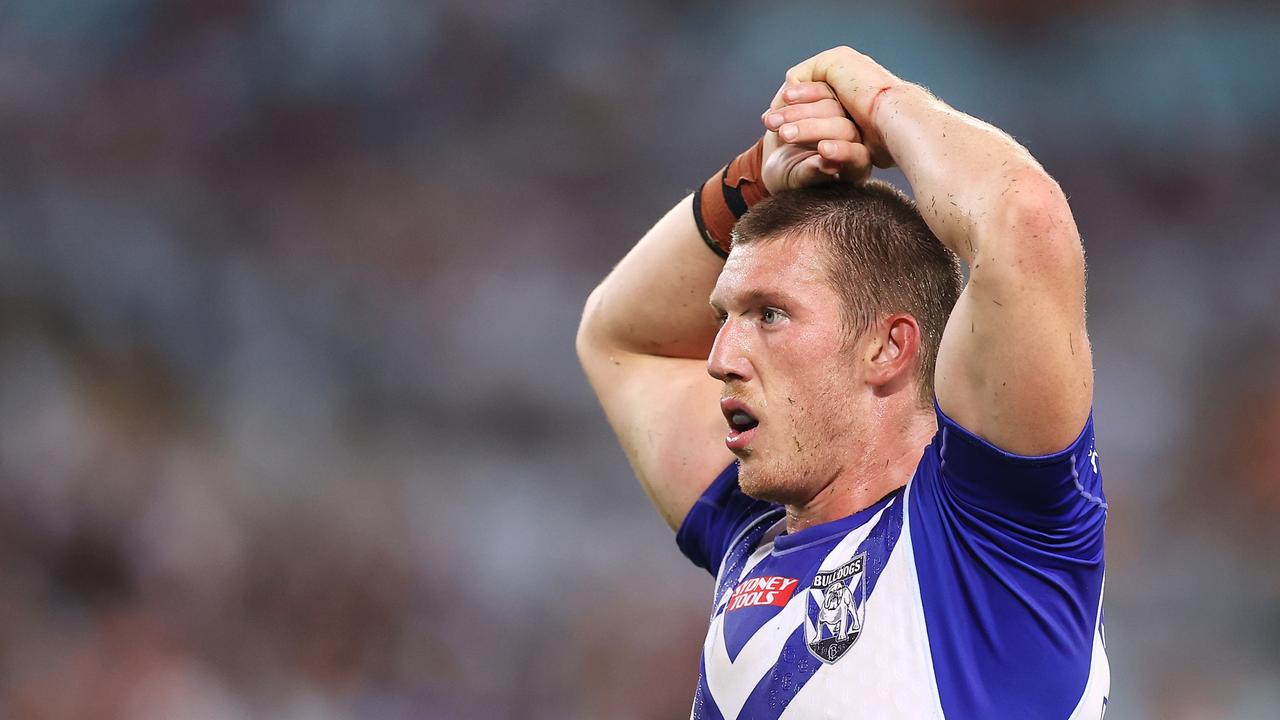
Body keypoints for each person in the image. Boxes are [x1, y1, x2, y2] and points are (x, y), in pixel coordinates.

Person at [576, 46, 1108, 718]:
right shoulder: (753, 535)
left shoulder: (993, 543)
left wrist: (880, 106)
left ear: (887, 347)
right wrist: (759, 177)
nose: (719, 356)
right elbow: (620, 339)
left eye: (769, 314)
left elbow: (1025, 221)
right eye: (724, 316)